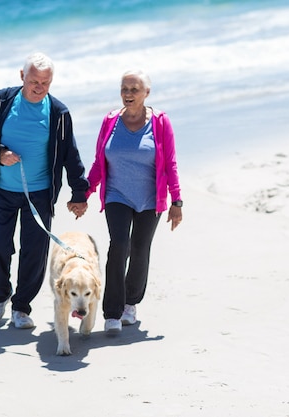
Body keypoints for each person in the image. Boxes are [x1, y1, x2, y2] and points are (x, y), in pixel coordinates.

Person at [0, 52, 89, 329]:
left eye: (46, 83)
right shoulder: (1, 101)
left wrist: (79, 193)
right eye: (35, 81)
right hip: (1, 190)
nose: (39, 87)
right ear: (22, 76)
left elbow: (70, 155)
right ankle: (0, 296)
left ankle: (21, 308)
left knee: (33, 253)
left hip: (39, 194)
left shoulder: (59, 113)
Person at [86, 69, 183, 334]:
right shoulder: (110, 121)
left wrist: (177, 201)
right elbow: (99, 162)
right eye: (124, 89)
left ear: (146, 93)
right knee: (119, 245)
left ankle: (131, 302)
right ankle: (112, 313)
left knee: (140, 249)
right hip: (117, 194)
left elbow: (171, 164)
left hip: (150, 198)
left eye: (134, 89)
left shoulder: (161, 123)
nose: (128, 94)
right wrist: (84, 193)